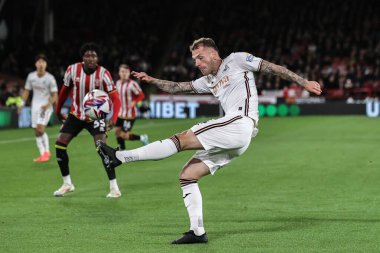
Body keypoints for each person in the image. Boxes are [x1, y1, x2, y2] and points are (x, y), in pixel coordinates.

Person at [96, 38, 322, 243]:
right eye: (194, 59)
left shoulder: (237, 60)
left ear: (214, 54)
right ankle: (197, 231)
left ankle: (119, 157)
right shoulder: (209, 80)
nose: (197, 63)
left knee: (181, 139)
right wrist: (152, 79)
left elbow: (274, 68)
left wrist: (303, 82)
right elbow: (178, 87)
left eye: (200, 57)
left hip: (239, 122)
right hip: (238, 138)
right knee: (188, 175)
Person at [54, 43, 122, 198]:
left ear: (97, 59)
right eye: (87, 56)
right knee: (60, 144)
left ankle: (114, 187)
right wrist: (58, 110)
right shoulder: (72, 70)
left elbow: (115, 98)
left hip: (96, 116)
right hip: (76, 114)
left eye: (93, 56)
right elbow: (64, 91)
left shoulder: (104, 73)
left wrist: (113, 117)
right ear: (82, 58)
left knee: (102, 148)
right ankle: (67, 184)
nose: (90, 58)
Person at [20, 54, 58, 162]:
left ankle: (46, 152)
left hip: (45, 107)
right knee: (36, 131)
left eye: (43, 62)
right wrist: (21, 104)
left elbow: (55, 94)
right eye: (39, 62)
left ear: (46, 65)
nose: (41, 64)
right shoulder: (31, 76)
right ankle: (43, 153)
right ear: (36, 64)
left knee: (40, 129)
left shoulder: (50, 78)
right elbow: (27, 91)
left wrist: (49, 104)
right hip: (35, 106)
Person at [115, 64, 149, 150]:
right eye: (122, 71)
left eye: (126, 72)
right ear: (119, 73)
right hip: (120, 113)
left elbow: (141, 95)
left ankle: (142, 137)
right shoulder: (118, 83)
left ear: (129, 73)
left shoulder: (132, 84)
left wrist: (134, 101)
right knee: (117, 132)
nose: (124, 74)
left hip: (130, 114)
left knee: (124, 135)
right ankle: (122, 149)